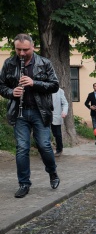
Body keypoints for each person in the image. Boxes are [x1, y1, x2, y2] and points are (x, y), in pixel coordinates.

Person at [0, 33, 60, 198]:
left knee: (44, 146)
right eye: (18, 49)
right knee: (22, 149)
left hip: (40, 112)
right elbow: (1, 86)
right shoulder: (9, 63)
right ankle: (24, 183)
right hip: (19, 112)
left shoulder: (44, 63)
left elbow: (55, 85)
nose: (21, 53)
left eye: (25, 50)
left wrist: (35, 83)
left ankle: (52, 172)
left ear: (33, 47)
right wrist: (12, 92)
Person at [51, 88, 68, 157]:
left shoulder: (59, 91)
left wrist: (64, 112)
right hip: (45, 116)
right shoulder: (43, 88)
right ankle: (45, 151)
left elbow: (65, 103)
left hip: (56, 115)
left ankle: (59, 149)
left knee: (57, 134)